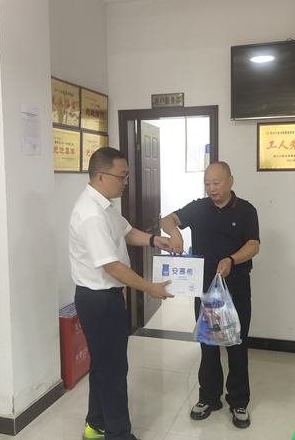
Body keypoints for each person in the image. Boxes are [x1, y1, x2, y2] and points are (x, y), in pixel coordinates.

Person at [69, 147, 174, 440]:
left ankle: (96, 425)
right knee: (112, 370)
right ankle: (118, 434)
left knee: (105, 365)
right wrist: (149, 287)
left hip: (106, 298)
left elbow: (126, 232)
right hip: (98, 300)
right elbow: (112, 266)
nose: (126, 182)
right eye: (122, 176)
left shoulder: (105, 205)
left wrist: (155, 240)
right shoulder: (91, 214)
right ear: (100, 176)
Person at [161, 161, 260, 429]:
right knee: (208, 344)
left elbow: (253, 245)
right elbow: (167, 219)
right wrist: (174, 233)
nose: (211, 188)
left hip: (235, 285)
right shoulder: (198, 208)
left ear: (230, 181)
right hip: (204, 287)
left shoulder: (246, 210)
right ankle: (208, 398)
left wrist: (231, 259)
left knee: (237, 344)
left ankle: (238, 402)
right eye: (207, 183)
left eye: (216, 182)